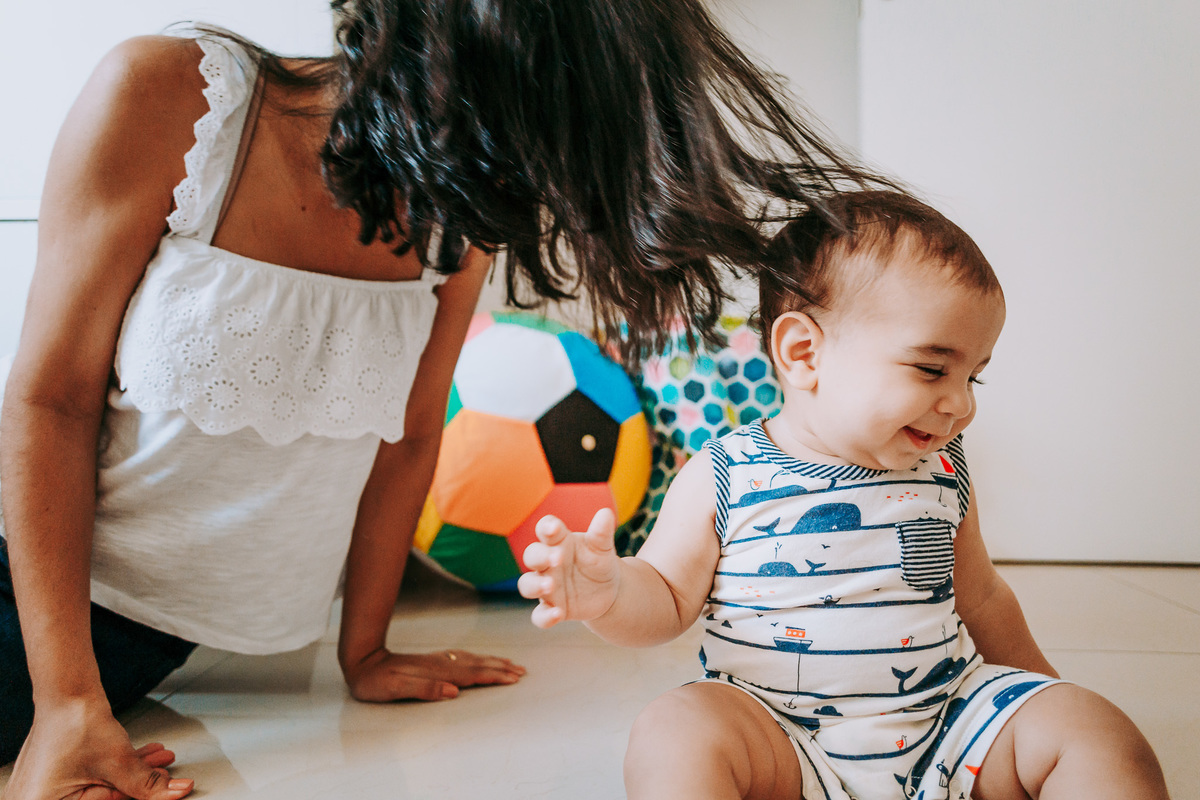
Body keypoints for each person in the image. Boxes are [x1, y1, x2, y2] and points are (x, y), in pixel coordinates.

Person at [0, 1, 890, 798]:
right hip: (34, 589)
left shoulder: (458, 211)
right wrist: (63, 698)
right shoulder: (172, 95)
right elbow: (51, 401)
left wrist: (365, 650)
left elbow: (411, 435)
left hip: (135, 647)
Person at [519, 191, 1171, 800]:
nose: (961, 403)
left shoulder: (943, 469)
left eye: (976, 376)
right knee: (675, 730)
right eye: (932, 368)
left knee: (1097, 729)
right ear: (804, 352)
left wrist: (1044, 695)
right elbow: (663, 598)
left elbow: (982, 597)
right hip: (779, 733)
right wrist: (608, 597)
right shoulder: (725, 474)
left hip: (948, 720)